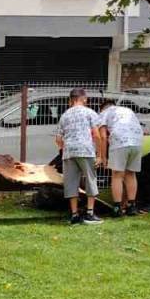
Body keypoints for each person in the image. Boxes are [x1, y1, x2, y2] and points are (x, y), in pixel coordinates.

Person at [56, 88, 105, 225]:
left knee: (71, 182)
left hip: (69, 152)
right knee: (90, 179)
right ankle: (90, 213)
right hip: (85, 150)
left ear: (70, 100)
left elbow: (59, 139)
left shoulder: (65, 115)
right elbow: (96, 134)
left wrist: (64, 149)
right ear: (84, 99)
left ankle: (74, 215)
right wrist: (100, 155)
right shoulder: (90, 113)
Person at [99, 98, 144, 217]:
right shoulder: (127, 110)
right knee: (131, 174)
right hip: (137, 142)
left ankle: (117, 207)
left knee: (117, 175)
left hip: (120, 141)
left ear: (103, 108)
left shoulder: (104, 113)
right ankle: (131, 206)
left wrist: (103, 157)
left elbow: (103, 137)